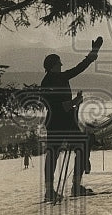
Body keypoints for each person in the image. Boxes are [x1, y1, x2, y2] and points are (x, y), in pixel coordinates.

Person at [40, 36, 103, 201]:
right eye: (59, 62)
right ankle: (73, 186)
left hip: (61, 122)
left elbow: (77, 69)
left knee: (57, 153)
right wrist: (75, 101)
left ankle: (54, 190)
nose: (61, 65)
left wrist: (92, 55)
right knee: (68, 149)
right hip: (59, 123)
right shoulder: (50, 81)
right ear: (53, 65)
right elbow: (58, 106)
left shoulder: (52, 79)